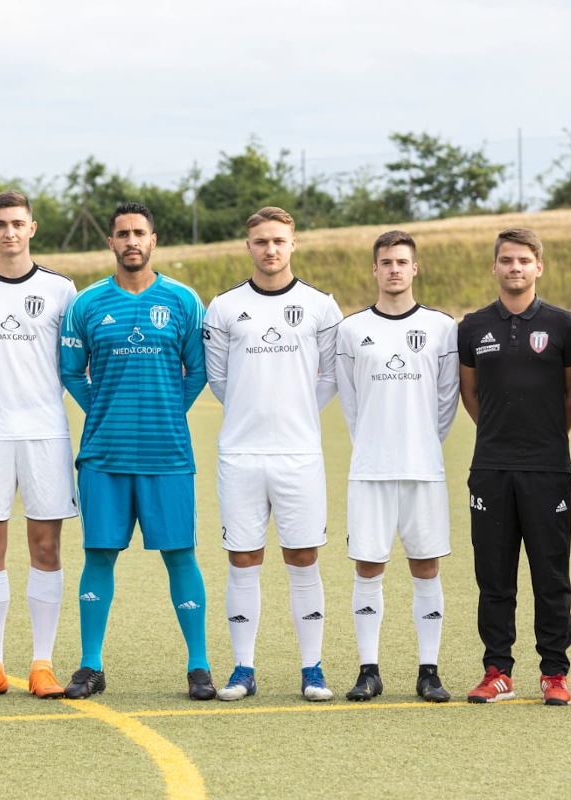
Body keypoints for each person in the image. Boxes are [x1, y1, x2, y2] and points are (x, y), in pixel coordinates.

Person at [59, 202, 213, 700]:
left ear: (153, 240)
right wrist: (103, 407)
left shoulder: (184, 300)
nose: (131, 241)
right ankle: (90, 665)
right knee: (98, 554)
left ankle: (199, 666)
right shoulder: (87, 304)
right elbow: (69, 371)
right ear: (110, 242)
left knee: (181, 555)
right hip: (104, 455)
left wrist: (168, 410)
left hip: (167, 453)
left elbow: (198, 371)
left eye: (139, 233)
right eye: (122, 233)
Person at [203, 206, 342, 702]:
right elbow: (219, 379)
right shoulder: (223, 307)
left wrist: (297, 412)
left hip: (298, 454)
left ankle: (312, 669)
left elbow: (330, 377)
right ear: (249, 247)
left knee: (303, 557)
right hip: (240, 453)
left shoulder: (322, 306)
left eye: (279, 240)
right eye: (261, 241)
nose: (270, 249)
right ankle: (244, 668)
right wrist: (251, 411)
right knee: (243, 558)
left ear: (293, 244)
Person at [0, 192, 78, 700]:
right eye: (0, 224)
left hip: (45, 431)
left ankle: (42, 664)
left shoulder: (62, 290)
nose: (9, 232)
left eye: (17, 224)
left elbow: (72, 363)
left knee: (46, 546)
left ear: (33, 228)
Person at [457, 228, 571, 705]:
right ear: (494, 267)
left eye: (524, 260)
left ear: (538, 267)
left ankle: (554, 673)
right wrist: (497, 434)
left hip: (549, 468)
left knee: (551, 575)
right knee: (494, 575)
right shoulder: (471, 326)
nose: (515, 268)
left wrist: (547, 439)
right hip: (490, 467)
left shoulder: (565, 325)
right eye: (506, 260)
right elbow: (471, 393)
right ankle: (497, 671)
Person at [334, 230, 458, 703]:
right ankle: (369, 670)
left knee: (426, 567)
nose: (394, 270)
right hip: (370, 469)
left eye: (402, 262)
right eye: (385, 262)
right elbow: (350, 402)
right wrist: (375, 444)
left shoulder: (442, 327)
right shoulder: (351, 329)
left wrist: (422, 442)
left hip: (423, 468)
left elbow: (445, 401)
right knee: (369, 566)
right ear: (375, 270)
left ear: (415, 268)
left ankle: (429, 671)